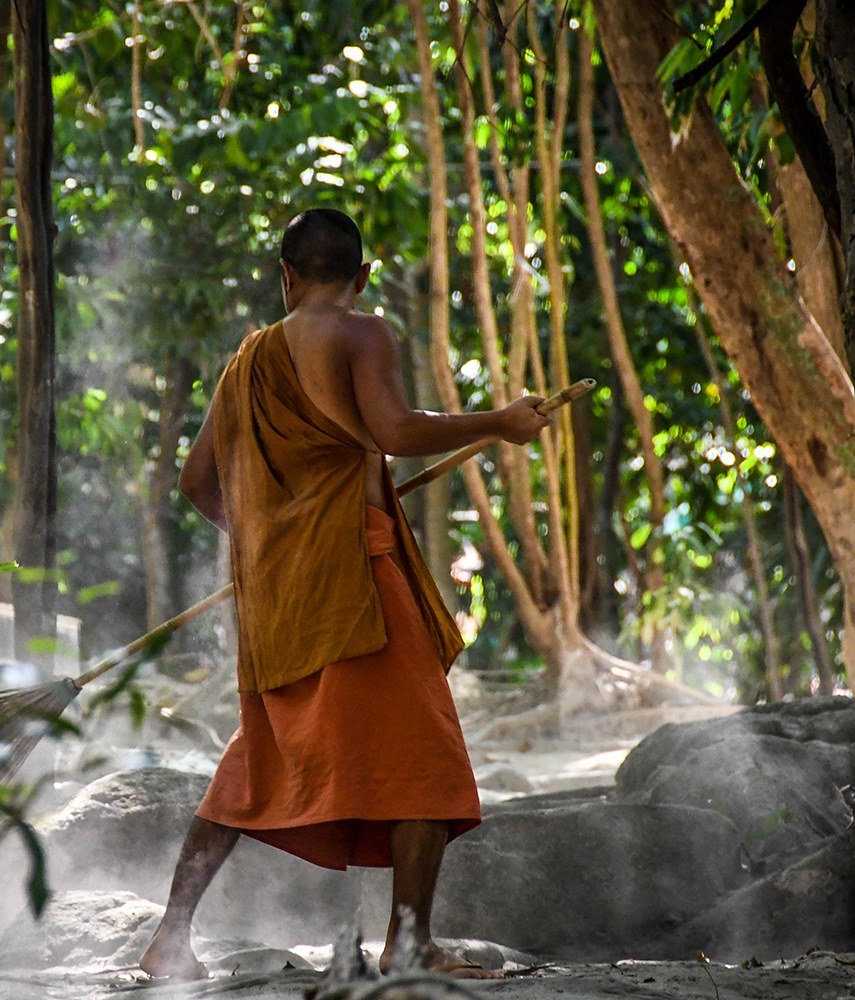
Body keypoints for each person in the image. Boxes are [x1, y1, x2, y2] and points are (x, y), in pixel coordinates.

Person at [137, 208, 551, 982]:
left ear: (285, 277)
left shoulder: (246, 362)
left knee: (259, 755)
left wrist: (272, 542)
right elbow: (394, 428)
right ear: (360, 278)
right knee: (426, 756)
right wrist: (497, 422)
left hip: (283, 590)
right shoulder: (362, 334)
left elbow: (197, 483)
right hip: (357, 575)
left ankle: (171, 937)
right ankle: (411, 944)